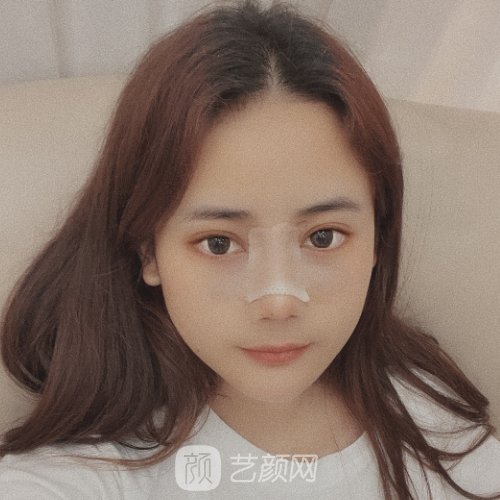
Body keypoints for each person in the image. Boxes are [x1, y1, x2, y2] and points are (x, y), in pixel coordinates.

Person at [0, 0, 499, 498]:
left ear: (377, 239)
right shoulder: (88, 472)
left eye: (323, 237)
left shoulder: (427, 413)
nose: (279, 301)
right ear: (148, 251)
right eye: (219, 244)